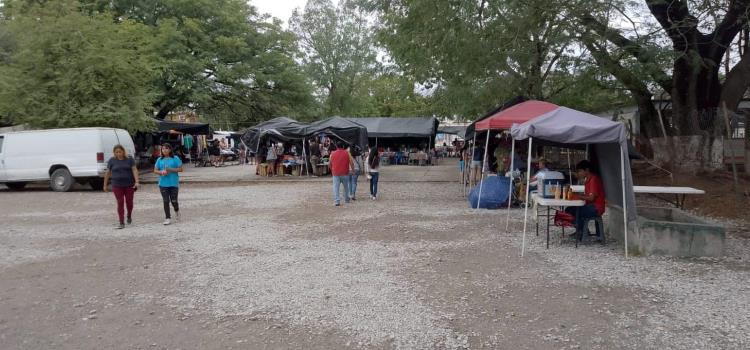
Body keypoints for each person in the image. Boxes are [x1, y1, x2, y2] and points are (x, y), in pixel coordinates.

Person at [565, 160, 606, 241]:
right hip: (591, 206)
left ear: (587, 170)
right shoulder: (588, 180)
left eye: (580, 171)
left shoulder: (594, 179)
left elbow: (591, 198)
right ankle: (582, 231)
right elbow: (588, 196)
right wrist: (577, 195)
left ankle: (582, 231)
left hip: (596, 208)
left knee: (570, 211)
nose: (579, 173)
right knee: (571, 209)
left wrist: (578, 196)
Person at [103, 145, 139, 229]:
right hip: (117, 185)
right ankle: (121, 222)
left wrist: (137, 181)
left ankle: (129, 215)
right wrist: (105, 185)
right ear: (114, 153)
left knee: (129, 202)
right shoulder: (112, 161)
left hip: (129, 184)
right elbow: (108, 172)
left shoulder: (130, 159)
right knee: (120, 202)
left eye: (120, 151)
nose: (118, 153)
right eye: (116, 152)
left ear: (123, 151)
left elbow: (134, 170)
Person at [154, 143, 183, 225]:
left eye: (166, 148)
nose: (164, 150)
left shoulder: (175, 158)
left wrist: (170, 169)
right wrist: (161, 172)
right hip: (163, 183)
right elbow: (155, 170)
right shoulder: (159, 159)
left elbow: (181, 169)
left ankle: (177, 211)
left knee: (174, 200)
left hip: (173, 183)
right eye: (163, 149)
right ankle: (167, 217)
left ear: (170, 149)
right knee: (166, 201)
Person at [330, 142, 353, 206]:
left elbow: (330, 163)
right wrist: (353, 170)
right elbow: (351, 162)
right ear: (342, 146)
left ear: (336, 146)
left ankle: (337, 201)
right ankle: (346, 199)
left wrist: (332, 170)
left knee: (336, 188)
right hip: (345, 173)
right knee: (346, 187)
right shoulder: (347, 153)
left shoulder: (332, 153)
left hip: (336, 173)